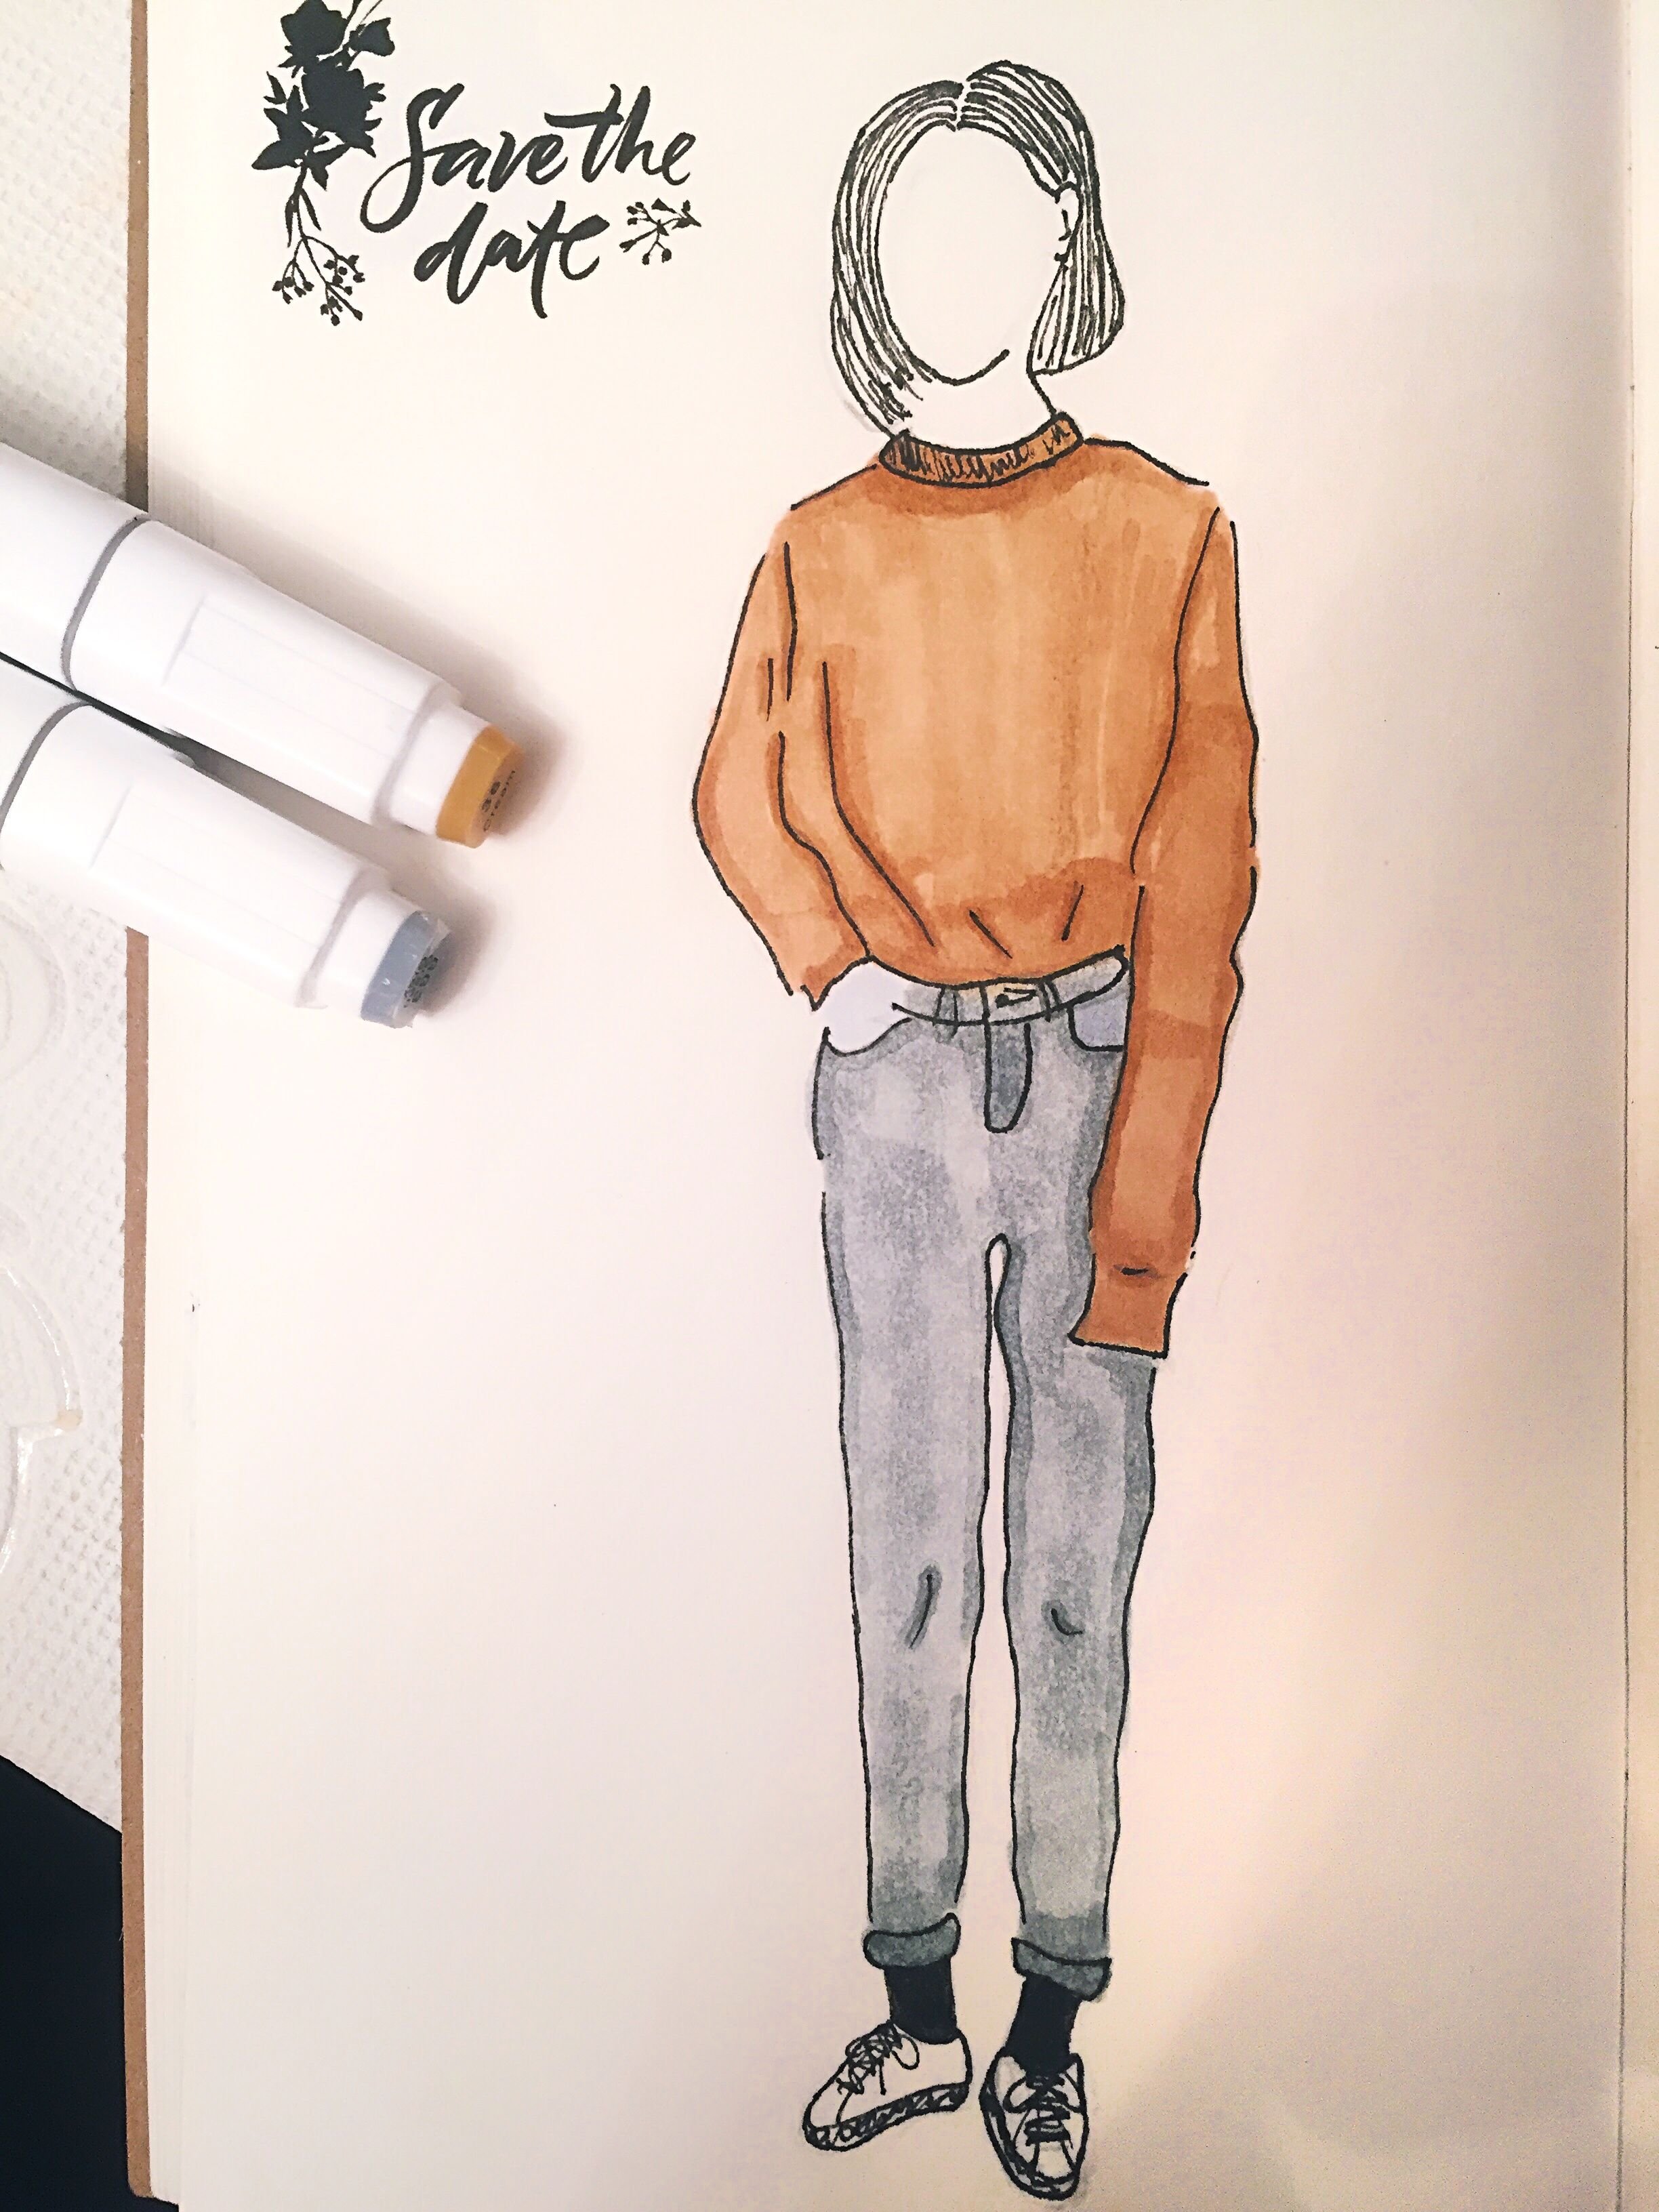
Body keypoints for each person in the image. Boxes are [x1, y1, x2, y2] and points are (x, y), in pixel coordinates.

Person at [694, 58, 1257, 2201]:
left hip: (1102, 1073)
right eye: (913, 224)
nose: (958, 264)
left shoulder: (1171, 532)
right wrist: (829, 962)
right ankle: (918, 2005)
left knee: (1078, 1576)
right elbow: (738, 783)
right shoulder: (816, 546)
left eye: (1001, 217)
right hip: (899, 1095)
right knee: (910, 1550)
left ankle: (1052, 2023)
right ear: (865, 259)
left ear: (1068, 239)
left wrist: (1148, 1210)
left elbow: (1203, 874)